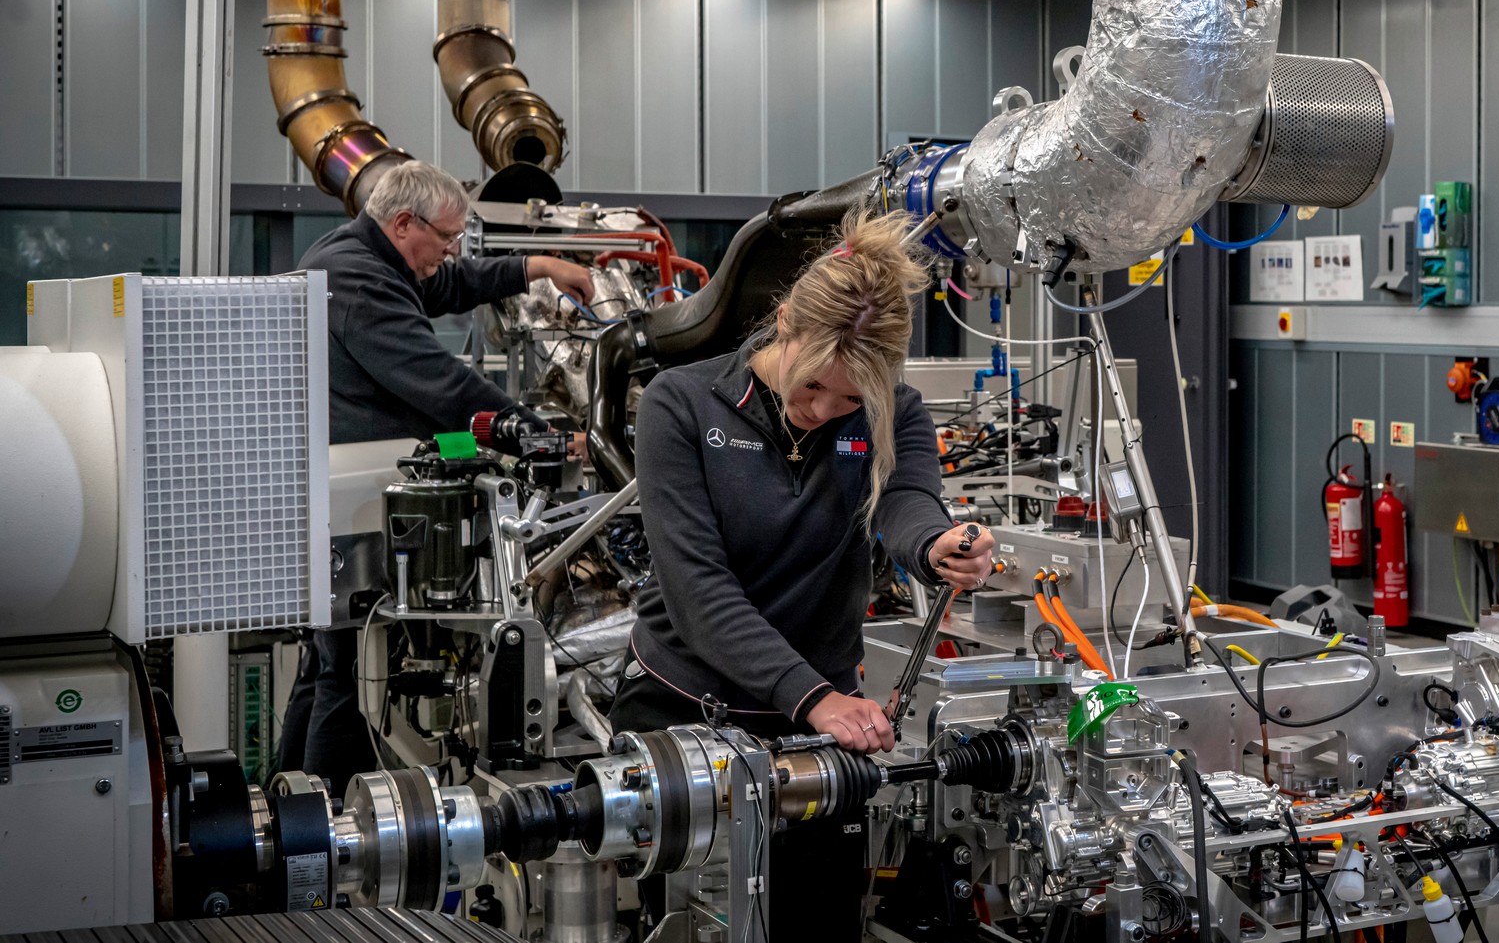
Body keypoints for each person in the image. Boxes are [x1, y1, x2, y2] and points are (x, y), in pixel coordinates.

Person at [616, 209, 997, 937]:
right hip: (688, 704)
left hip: (820, 726)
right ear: (784, 322)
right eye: (813, 387)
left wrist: (938, 544)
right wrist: (815, 696)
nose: (824, 412)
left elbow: (908, 499)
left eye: (851, 400)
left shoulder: (896, 412)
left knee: (817, 920)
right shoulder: (682, 404)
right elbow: (699, 591)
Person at [278, 159, 595, 793]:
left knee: (324, 664)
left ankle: (286, 803)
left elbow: (449, 284)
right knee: (350, 670)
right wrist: (544, 434)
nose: (450, 253)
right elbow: (445, 386)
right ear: (403, 224)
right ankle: (326, 839)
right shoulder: (360, 283)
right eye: (446, 238)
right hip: (354, 502)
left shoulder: (359, 255)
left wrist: (537, 267)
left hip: (337, 490)